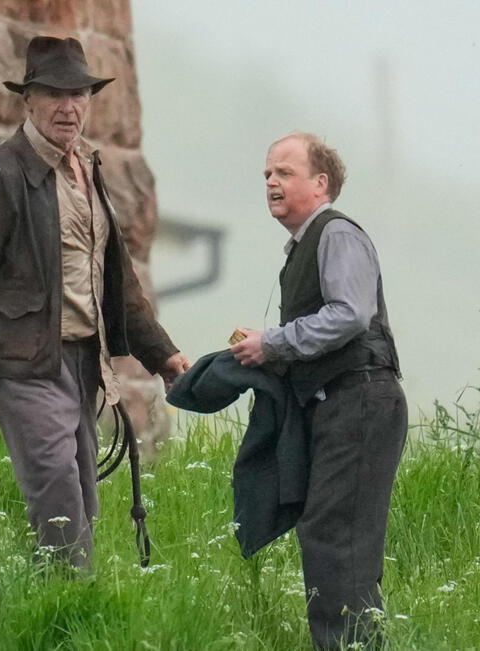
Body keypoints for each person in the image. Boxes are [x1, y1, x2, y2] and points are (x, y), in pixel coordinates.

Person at [0, 36, 189, 569]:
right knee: (57, 495)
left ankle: (67, 609)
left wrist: (161, 355)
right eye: (53, 93)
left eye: (78, 94)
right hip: (24, 364)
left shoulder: (89, 171)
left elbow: (115, 282)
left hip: (82, 362)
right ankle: (67, 609)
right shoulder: (0, 176)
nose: (67, 107)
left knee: (83, 499)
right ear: (28, 100)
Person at [230, 132, 407, 649]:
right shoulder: (306, 244)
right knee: (332, 540)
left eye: (284, 172)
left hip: (360, 401)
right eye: (267, 173)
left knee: (337, 543)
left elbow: (350, 315)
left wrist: (274, 344)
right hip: (342, 405)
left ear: (320, 183)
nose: (271, 181)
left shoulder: (336, 233)